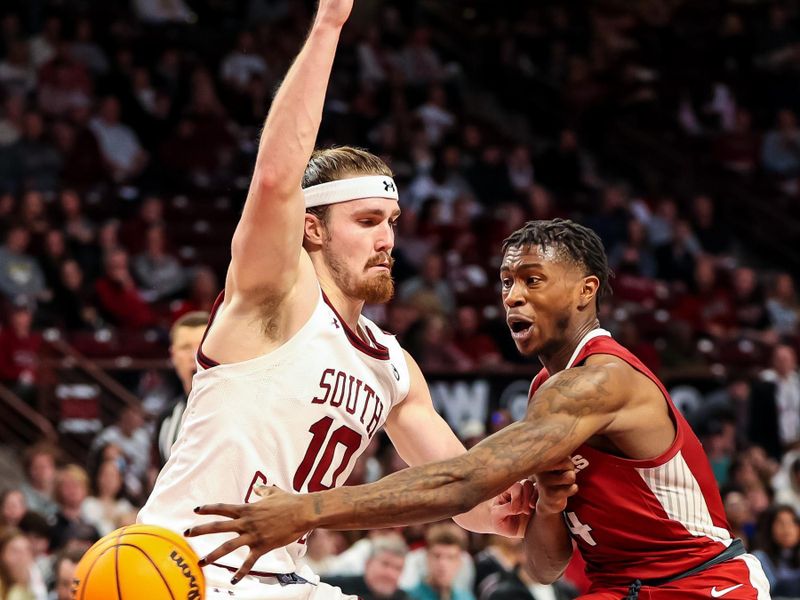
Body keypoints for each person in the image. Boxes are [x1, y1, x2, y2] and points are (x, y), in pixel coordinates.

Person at [139, 2, 525, 598]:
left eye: (392, 221)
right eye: (368, 220)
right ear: (312, 229)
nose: (387, 238)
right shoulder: (276, 295)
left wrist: (519, 500)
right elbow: (274, 179)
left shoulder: (393, 365)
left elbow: (467, 501)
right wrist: (328, 27)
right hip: (189, 566)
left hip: (285, 576)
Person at [190, 219, 771, 599]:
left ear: (586, 291)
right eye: (505, 282)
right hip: (618, 589)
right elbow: (544, 567)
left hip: (703, 584)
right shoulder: (549, 385)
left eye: (533, 280)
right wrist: (548, 503)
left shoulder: (601, 382)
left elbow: (464, 482)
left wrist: (308, 511)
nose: (512, 296)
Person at [153, 311, 209, 467]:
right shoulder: (167, 417)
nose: (194, 355)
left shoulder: (240, 407)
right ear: (173, 355)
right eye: (185, 348)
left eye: (203, 345)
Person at [324, 535, 411, 600]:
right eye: (385, 564)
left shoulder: (406, 598)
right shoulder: (333, 587)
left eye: (398, 568)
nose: (390, 573)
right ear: (368, 563)